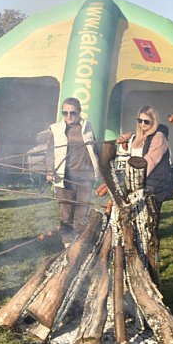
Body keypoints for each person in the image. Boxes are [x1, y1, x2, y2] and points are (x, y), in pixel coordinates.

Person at [45, 97, 100, 247]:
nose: (69, 116)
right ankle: (67, 242)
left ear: (79, 112)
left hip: (86, 176)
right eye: (65, 112)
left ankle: (81, 242)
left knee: (83, 212)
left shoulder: (87, 126)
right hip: (64, 176)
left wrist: (99, 170)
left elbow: (95, 150)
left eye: (73, 112)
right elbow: (50, 152)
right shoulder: (55, 129)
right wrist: (50, 170)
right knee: (66, 211)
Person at [117, 105, 173, 237]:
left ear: (154, 121)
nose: (142, 124)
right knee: (137, 218)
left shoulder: (159, 137)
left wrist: (134, 179)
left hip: (153, 183)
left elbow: (150, 161)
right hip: (137, 181)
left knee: (150, 221)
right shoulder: (138, 137)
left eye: (146, 121)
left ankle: (152, 250)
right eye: (140, 121)